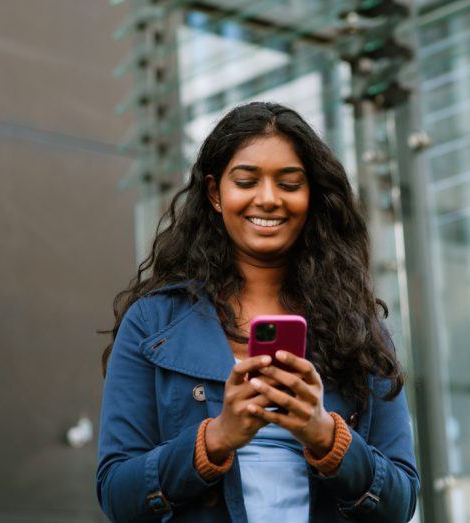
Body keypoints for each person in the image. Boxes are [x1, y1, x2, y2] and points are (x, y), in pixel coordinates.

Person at [96, 101, 420, 522]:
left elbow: (400, 502)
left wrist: (326, 436)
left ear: (311, 196)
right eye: (246, 181)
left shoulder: (358, 328)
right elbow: (117, 496)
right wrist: (215, 439)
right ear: (215, 194)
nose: (268, 200)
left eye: (289, 184)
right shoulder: (153, 322)